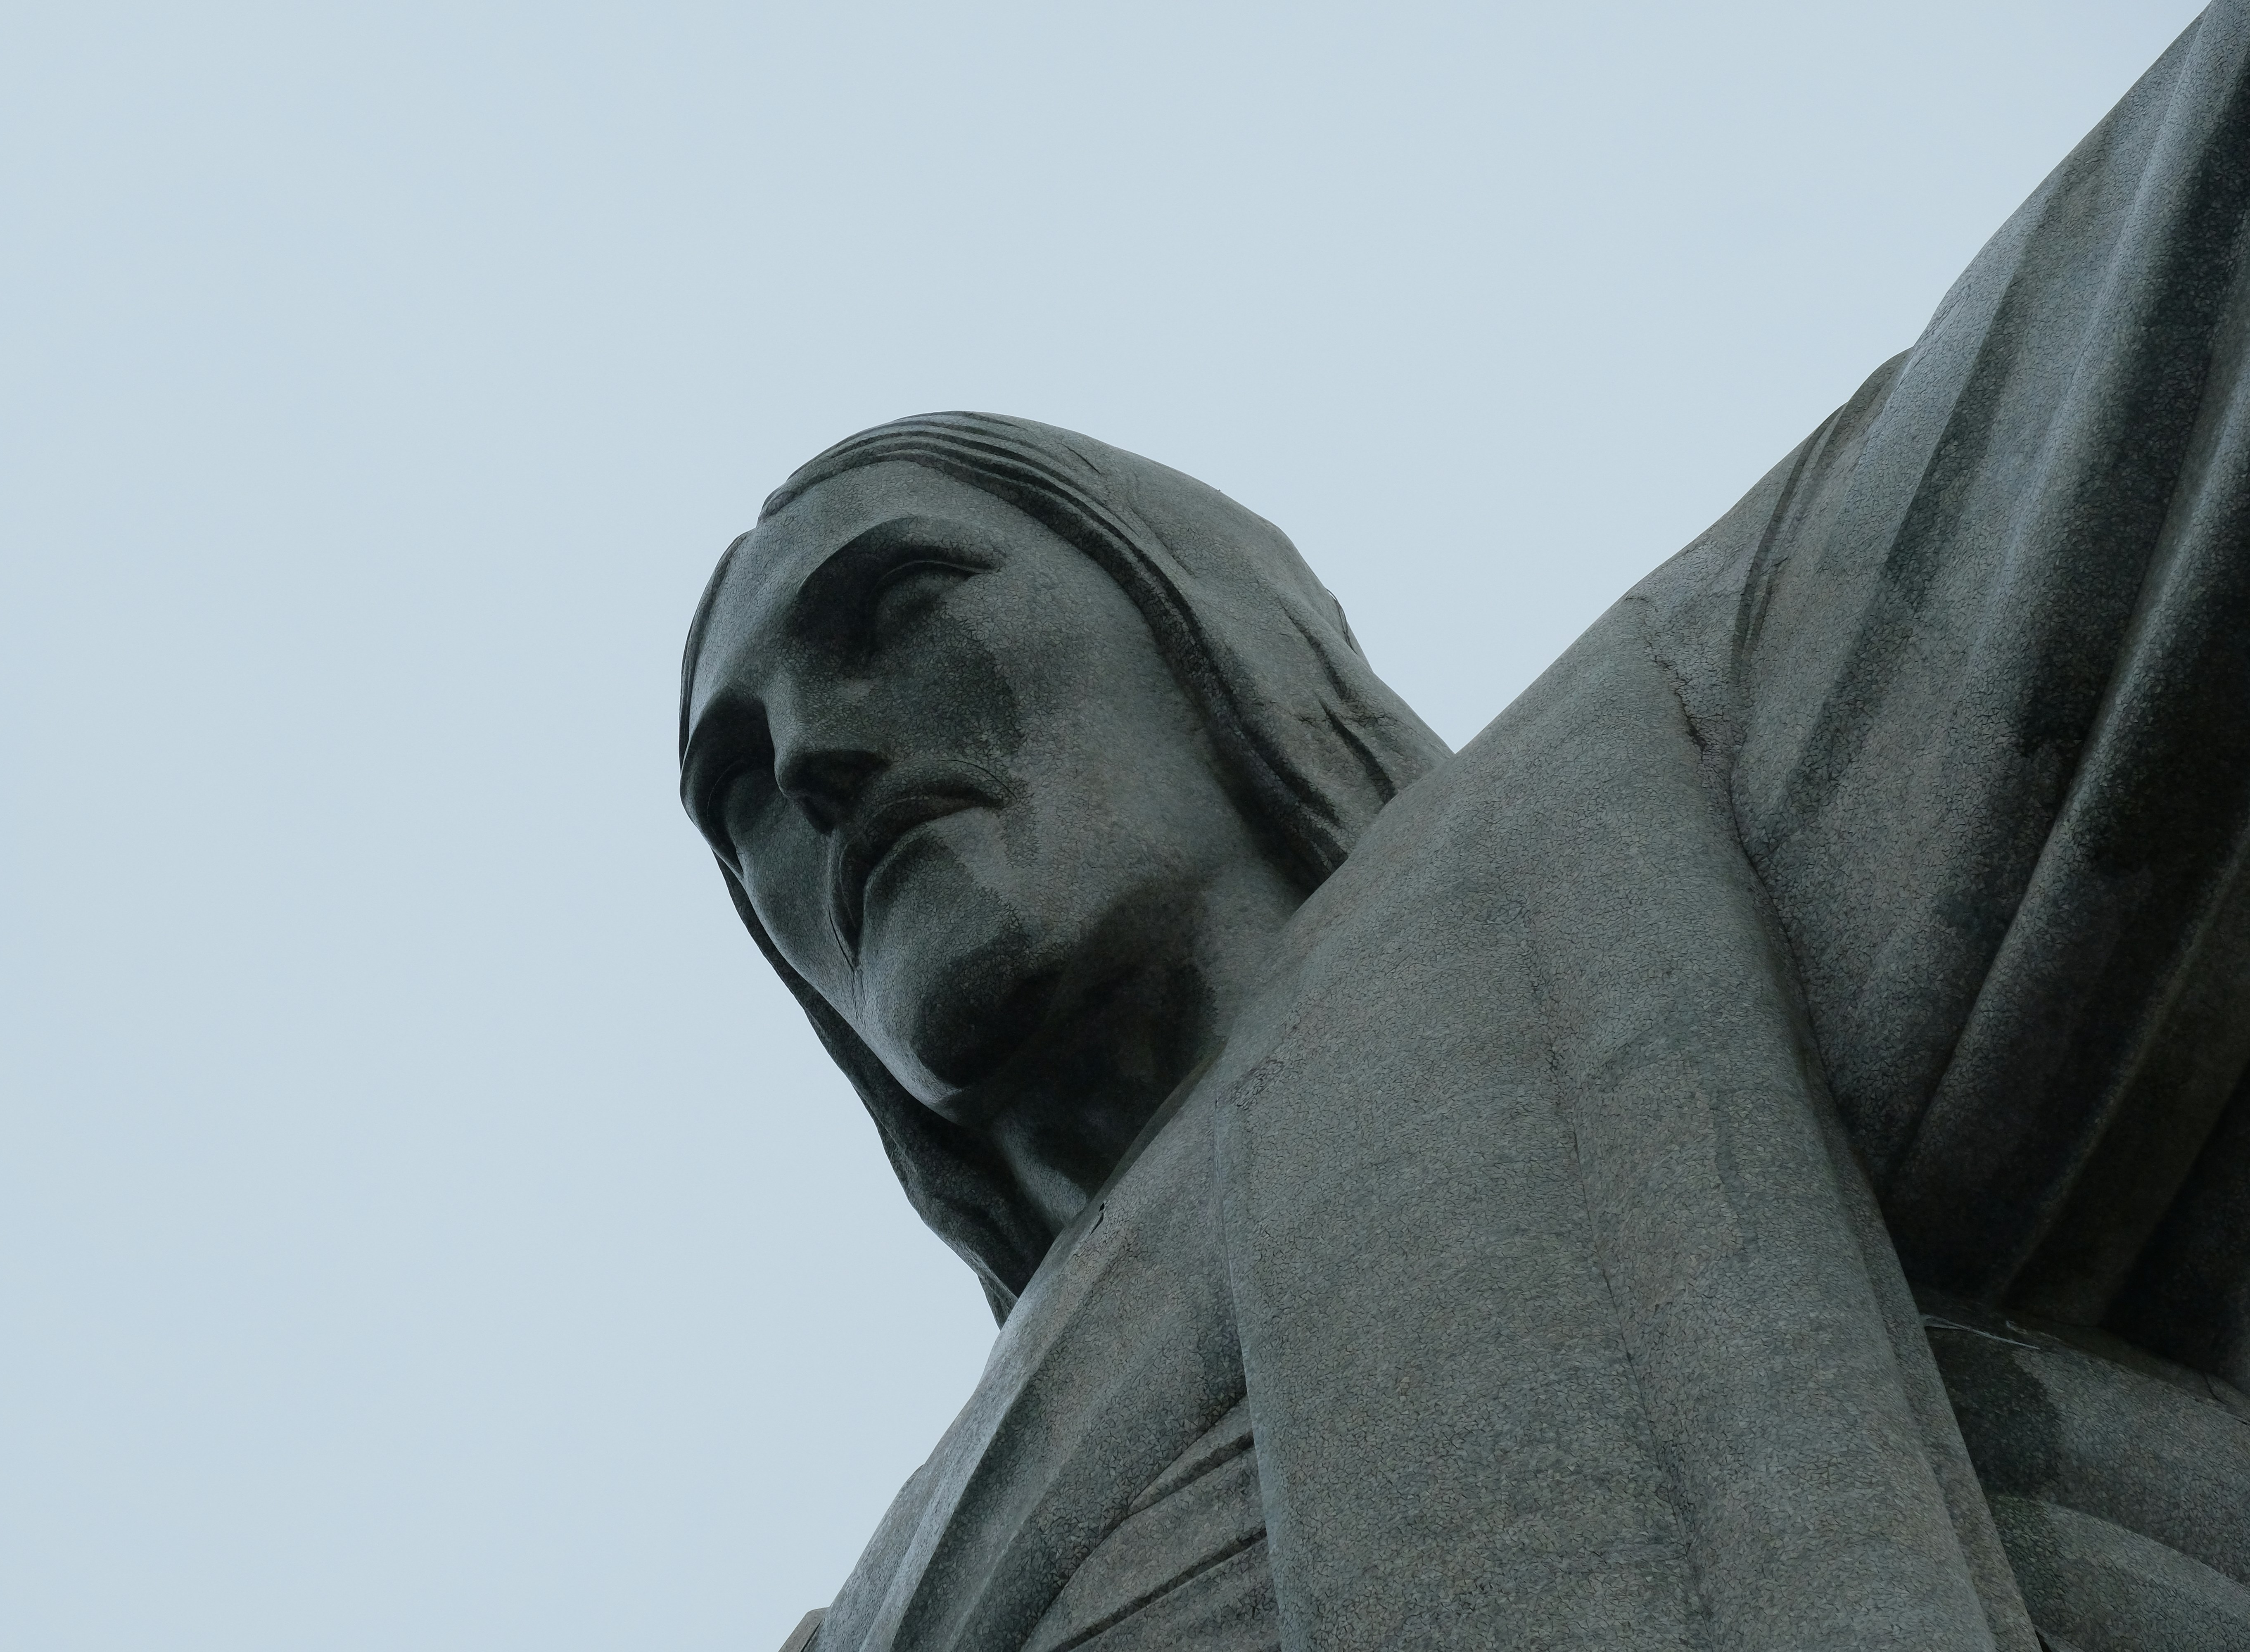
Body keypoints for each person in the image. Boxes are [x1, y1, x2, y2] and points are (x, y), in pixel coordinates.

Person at [680, 7, 2250, 1647]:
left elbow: (2184, 277)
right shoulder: (869, 1613)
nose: (807, 758)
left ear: (1212, 637)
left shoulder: (1674, 816)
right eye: (734, 787)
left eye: (898, 608)